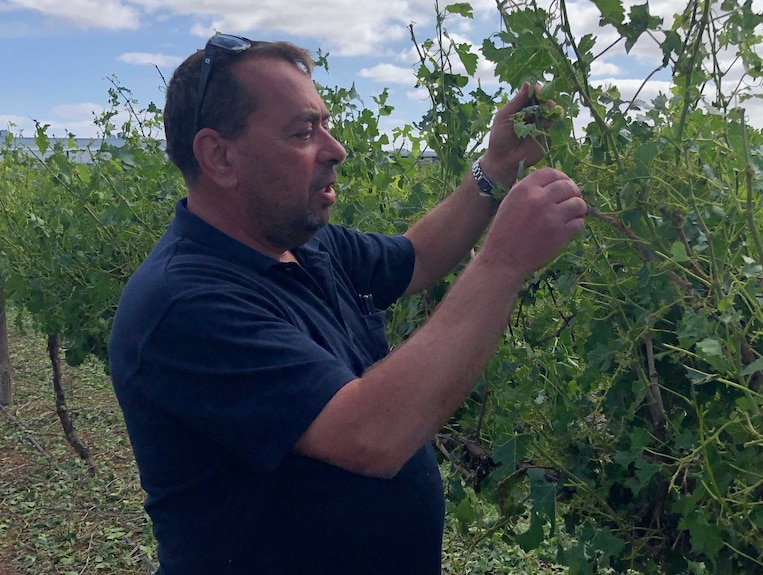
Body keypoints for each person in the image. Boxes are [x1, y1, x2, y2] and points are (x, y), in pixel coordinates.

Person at [108, 33, 588, 575]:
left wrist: (496, 166)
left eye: (326, 126)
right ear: (218, 156)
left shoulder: (304, 244)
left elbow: (420, 258)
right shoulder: (182, 305)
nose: (336, 149)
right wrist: (503, 260)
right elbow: (372, 435)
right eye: (304, 132)